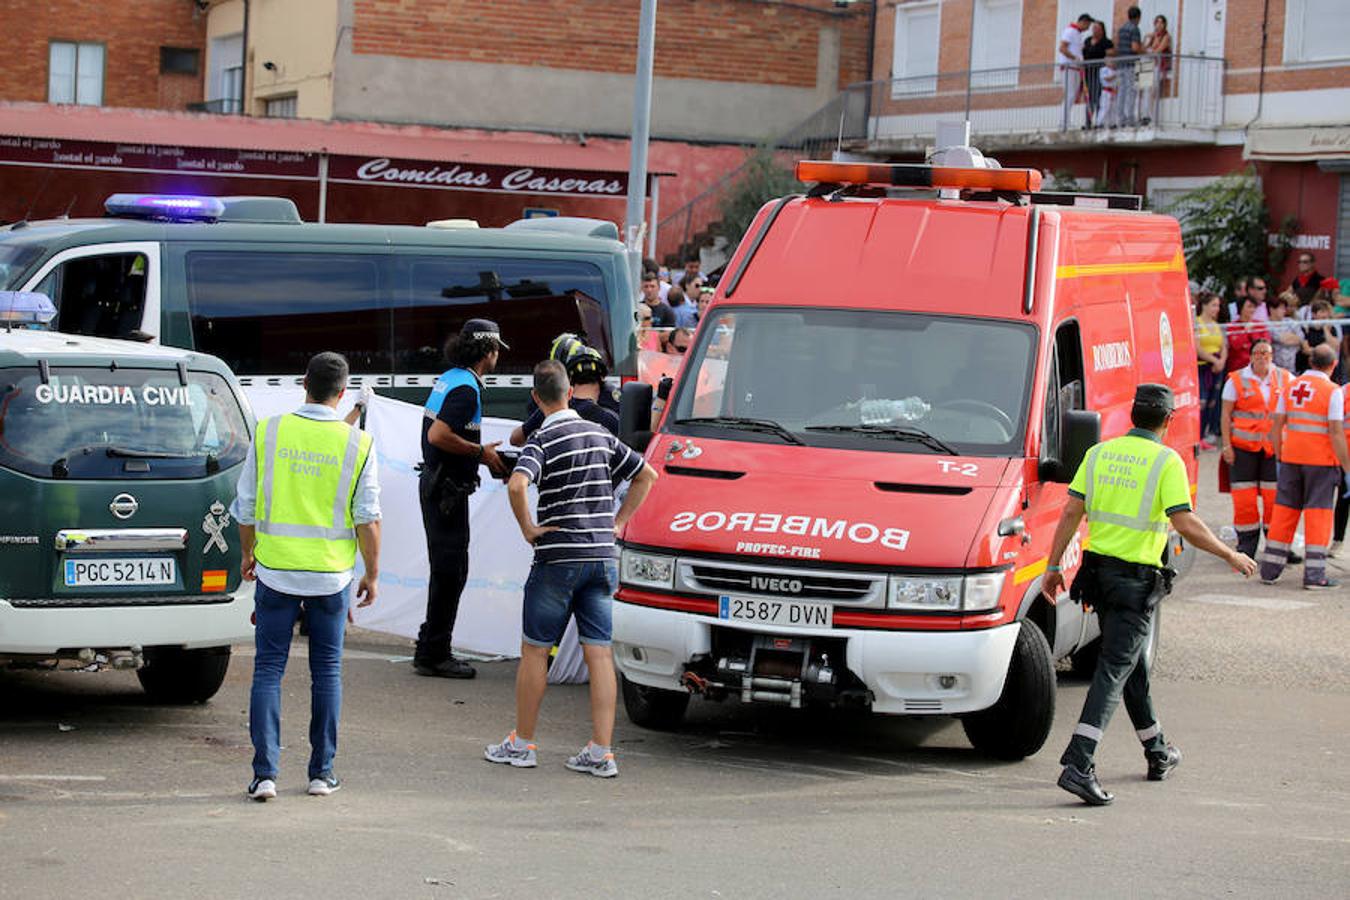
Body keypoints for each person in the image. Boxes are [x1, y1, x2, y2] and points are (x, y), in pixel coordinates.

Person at [1042, 384, 1257, 806]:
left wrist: (1052, 567)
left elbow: (1071, 511)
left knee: (1130, 662)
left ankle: (1157, 750)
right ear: (1167, 420)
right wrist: (1230, 553)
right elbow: (1184, 521)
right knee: (1114, 668)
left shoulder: (1100, 453)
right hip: (1134, 583)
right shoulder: (1166, 461)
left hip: (1097, 577)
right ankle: (1078, 763)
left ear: (1132, 415)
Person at [487, 360, 658, 777]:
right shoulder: (600, 433)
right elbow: (646, 475)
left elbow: (516, 483)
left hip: (558, 558)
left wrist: (529, 527)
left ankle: (522, 744)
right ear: (569, 392)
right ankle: (601, 751)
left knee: (534, 650)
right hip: (602, 557)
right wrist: (618, 523)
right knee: (599, 652)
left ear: (536, 398)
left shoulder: (543, 438)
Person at [232, 352, 382, 801]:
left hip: (276, 571)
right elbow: (368, 518)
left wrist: (248, 553)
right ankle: (321, 773)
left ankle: (265, 776)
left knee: (267, 671)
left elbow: (245, 507)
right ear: (342, 393)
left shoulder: (269, 431)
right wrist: (372, 573)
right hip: (331, 578)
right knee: (327, 673)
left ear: (303, 383)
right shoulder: (359, 443)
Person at [413, 319, 510, 679]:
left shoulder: (451, 378)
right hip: (446, 492)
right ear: (488, 351)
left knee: (446, 571)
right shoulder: (466, 389)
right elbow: (439, 435)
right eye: (497, 350)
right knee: (450, 573)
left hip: (439, 487)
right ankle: (434, 653)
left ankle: (430, 645)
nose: (498, 356)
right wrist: (479, 453)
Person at [1261, 345, 1350, 588]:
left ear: (1311, 362)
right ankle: (1314, 575)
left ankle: (1270, 570)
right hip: (1321, 464)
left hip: (1291, 460)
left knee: (1284, 512)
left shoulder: (1290, 386)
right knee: (1318, 516)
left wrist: (1280, 456)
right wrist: (1347, 467)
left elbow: (1276, 426)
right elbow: (1335, 432)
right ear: (1332, 366)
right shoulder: (1332, 391)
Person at [1221, 340, 1291, 558]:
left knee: (1274, 501)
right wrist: (1226, 446)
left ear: (1272, 356)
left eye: (1267, 353)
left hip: (1273, 449)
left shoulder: (1285, 378)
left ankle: (1277, 548)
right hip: (1243, 449)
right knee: (1245, 502)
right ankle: (1245, 550)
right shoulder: (1236, 380)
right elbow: (1225, 415)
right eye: (1258, 353)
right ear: (1251, 356)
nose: (1262, 357)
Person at [511, 340, 620, 445]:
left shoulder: (555, 408)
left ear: (567, 380)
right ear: (602, 378)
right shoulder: (616, 413)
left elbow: (516, 439)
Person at [1194, 292, 1226, 446]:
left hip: (1217, 367)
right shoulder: (1197, 323)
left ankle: (1205, 434)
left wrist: (1221, 361)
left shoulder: (1217, 325)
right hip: (1203, 366)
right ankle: (1197, 435)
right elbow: (1197, 347)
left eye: (1218, 305)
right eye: (1214, 305)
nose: (1217, 308)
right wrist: (1214, 360)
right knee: (1202, 401)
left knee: (1213, 402)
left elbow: (1224, 346)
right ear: (1205, 305)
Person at [1058, 13, 1093, 130]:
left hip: (1075, 68)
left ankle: (1066, 121)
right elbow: (1062, 48)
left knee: (1072, 95)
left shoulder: (1077, 33)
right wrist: (1075, 58)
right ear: (1083, 22)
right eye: (1088, 25)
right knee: (1070, 94)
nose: (1088, 28)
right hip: (1070, 67)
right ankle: (1064, 122)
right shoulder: (1070, 31)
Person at [1114, 6, 1143, 126]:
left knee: (1121, 91)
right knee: (1131, 91)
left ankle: (1120, 118)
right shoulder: (1135, 29)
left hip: (1120, 64)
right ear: (1138, 17)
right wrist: (1147, 51)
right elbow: (1135, 48)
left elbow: (1117, 46)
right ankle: (1130, 118)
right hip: (1131, 64)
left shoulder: (1121, 29)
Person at [1225, 296, 1270, 374]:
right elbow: (1236, 345)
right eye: (1249, 307)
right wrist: (1245, 331)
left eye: (1254, 307)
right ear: (1241, 308)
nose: (1252, 310)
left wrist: (1251, 332)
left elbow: (1265, 345)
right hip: (1237, 369)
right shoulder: (1232, 326)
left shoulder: (1260, 325)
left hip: (1258, 368)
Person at [1298, 299, 1341, 378]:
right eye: (1322, 312)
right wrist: (1325, 349)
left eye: (1327, 312)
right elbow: (1306, 349)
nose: (1325, 315)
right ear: (1314, 314)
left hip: (1328, 369)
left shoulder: (1331, 328)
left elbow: (1334, 347)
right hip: (1310, 367)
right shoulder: (1306, 328)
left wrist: (1326, 330)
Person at [1141, 14, 1172, 125]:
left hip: (1157, 66)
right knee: (1145, 91)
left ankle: (1151, 117)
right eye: (1157, 22)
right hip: (1147, 64)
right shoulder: (1152, 36)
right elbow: (1143, 49)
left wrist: (1150, 50)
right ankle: (1144, 115)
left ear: (1164, 24)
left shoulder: (1166, 37)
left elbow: (1158, 50)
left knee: (1153, 91)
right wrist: (1146, 38)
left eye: (1161, 22)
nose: (1159, 25)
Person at [1082, 20, 1113, 128]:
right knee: (1089, 98)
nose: (1094, 30)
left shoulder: (1106, 42)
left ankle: (1099, 122)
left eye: (1097, 28)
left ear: (1102, 30)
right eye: (1093, 28)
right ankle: (1088, 122)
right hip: (1088, 73)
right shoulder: (1087, 40)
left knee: (1099, 98)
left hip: (1100, 73)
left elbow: (1111, 54)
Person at [1267, 292, 1302, 373]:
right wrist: (1292, 337)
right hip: (1275, 368)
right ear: (1272, 309)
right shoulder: (1267, 325)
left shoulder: (1290, 322)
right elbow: (1283, 339)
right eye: (1281, 308)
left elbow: (1300, 338)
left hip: (1293, 367)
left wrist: (1291, 338)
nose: (1284, 311)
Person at [1097, 49, 1119, 127]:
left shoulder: (1115, 71)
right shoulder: (1103, 70)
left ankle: (1112, 123)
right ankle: (1100, 122)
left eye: (1113, 61)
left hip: (1113, 91)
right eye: (1110, 61)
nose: (1112, 63)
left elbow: (1117, 82)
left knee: (1113, 108)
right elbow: (1107, 79)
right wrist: (1115, 75)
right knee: (1105, 107)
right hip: (1106, 91)